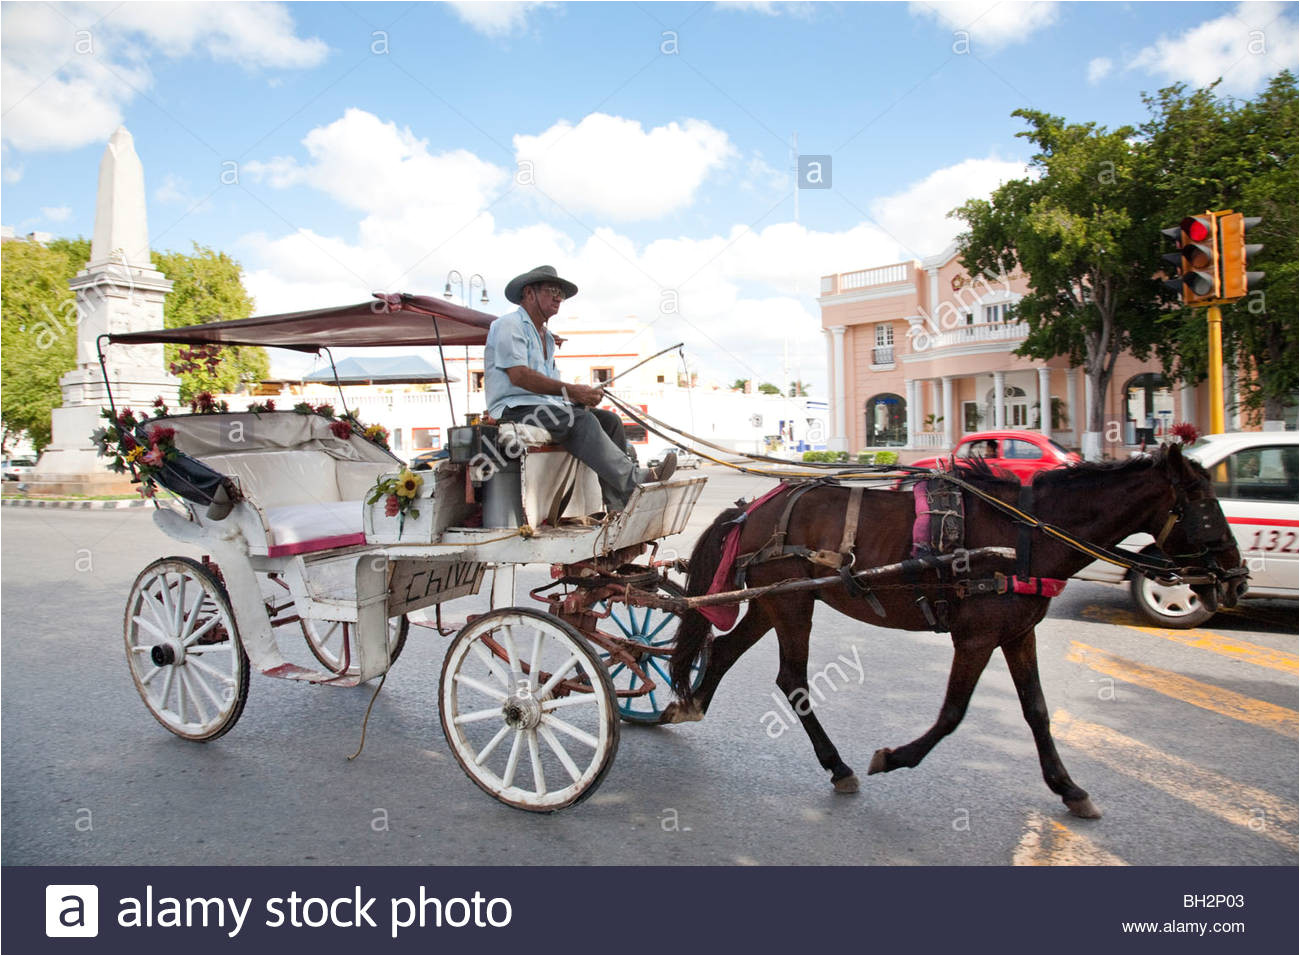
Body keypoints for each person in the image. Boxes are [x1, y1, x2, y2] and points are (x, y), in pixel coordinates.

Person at [484, 265, 675, 512]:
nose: (558, 298)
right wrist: (572, 392)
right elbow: (520, 375)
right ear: (529, 293)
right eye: (552, 290)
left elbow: (548, 389)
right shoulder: (509, 324)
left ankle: (619, 508)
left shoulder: (548, 337)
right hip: (515, 408)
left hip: (545, 407)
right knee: (581, 422)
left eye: (561, 294)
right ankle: (634, 480)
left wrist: (576, 398)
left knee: (610, 421)